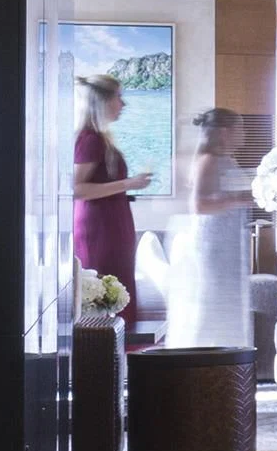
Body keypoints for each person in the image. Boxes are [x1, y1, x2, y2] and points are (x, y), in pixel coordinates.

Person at [165, 107, 257, 349]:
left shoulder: (228, 159)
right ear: (225, 132)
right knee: (215, 300)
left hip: (229, 241)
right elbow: (198, 204)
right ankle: (208, 354)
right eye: (240, 127)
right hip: (214, 243)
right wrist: (240, 200)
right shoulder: (208, 161)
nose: (244, 132)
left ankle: (230, 356)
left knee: (230, 301)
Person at [71, 73, 153, 332]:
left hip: (110, 223)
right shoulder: (90, 140)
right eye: (119, 97)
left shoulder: (99, 138)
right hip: (100, 229)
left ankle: (114, 357)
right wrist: (129, 184)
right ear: (103, 101)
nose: (123, 104)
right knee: (108, 290)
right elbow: (78, 188)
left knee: (116, 286)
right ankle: (108, 356)